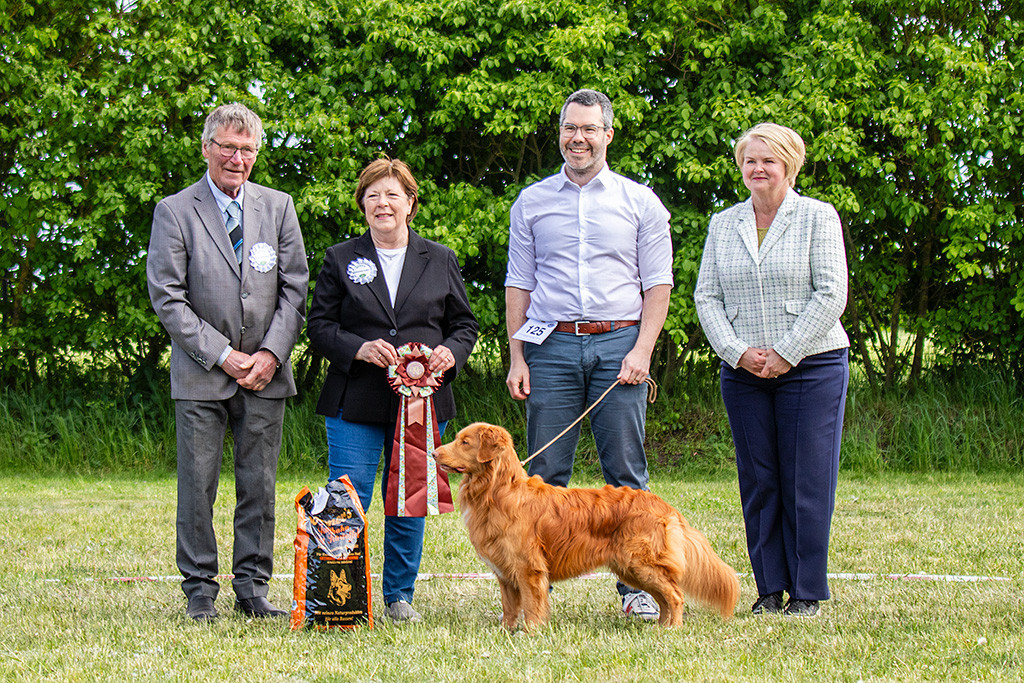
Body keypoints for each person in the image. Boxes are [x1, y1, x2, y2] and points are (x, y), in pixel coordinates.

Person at [504, 89, 674, 621]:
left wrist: (642, 349)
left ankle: (637, 591)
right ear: (560, 134)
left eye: (588, 129)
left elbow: (658, 284)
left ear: (608, 135)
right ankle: (536, 595)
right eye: (569, 129)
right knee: (541, 475)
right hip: (549, 344)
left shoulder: (640, 202)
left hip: (619, 343)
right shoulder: (531, 202)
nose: (578, 138)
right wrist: (517, 357)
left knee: (625, 472)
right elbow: (518, 284)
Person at [147, 103, 309, 621]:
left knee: (259, 484)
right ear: (206, 149)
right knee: (198, 484)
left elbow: (296, 289)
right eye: (228, 147)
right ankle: (199, 589)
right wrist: (224, 355)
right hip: (201, 374)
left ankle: (253, 588)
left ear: (256, 153)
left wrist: (268, 354)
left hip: (266, 375)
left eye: (247, 149)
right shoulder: (175, 211)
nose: (237, 158)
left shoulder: (279, 207)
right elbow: (168, 297)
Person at [307, 158, 478, 623]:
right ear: (362, 204)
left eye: (393, 195)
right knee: (348, 496)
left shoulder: (439, 258)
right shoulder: (340, 257)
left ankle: (399, 597)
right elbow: (318, 325)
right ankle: (338, 598)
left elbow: (464, 324)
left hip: (423, 404)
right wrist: (358, 348)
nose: (383, 203)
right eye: (373, 195)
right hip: (354, 400)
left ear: (410, 203)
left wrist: (449, 353)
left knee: (409, 499)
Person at [694, 122, 850, 618]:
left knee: (806, 479)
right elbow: (706, 296)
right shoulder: (724, 224)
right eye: (749, 161)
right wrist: (737, 351)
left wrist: (786, 351)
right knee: (760, 481)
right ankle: (769, 588)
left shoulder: (816, 217)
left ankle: (807, 592)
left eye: (768, 160)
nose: (758, 169)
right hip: (742, 371)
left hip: (812, 365)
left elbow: (831, 293)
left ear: (790, 165)